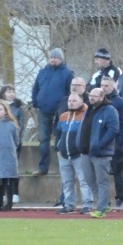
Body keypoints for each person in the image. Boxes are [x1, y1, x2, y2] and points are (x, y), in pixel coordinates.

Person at [31, 48, 74, 176]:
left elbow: (70, 92)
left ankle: (64, 169)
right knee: (44, 140)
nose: (53, 60)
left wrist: (65, 107)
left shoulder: (67, 74)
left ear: (61, 59)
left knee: (59, 140)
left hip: (59, 112)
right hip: (43, 111)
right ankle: (43, 168)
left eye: (56, 58)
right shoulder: (42, 72)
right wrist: (35, 102)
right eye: (51, 57)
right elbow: (36, 88)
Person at [79, 88, 120, 218]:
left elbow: (113, 130)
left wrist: (100, 145)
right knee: (89, 180)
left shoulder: (110, 110)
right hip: (86, 151)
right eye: (90, 96)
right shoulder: (89, 110)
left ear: (102, 97)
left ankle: (101, 208)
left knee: (102, 180)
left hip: (101, 153)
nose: (91, 98)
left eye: (94, 96)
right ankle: (104, 203)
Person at [53, 76, 89, 208]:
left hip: (79, 154)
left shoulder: (86, 115)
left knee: (84, 180)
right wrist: (57, 148)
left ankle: (87, 204)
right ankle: (68, 205)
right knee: (67, 182)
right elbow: (58, 134)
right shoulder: (63, 116)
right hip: (64, 155)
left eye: (74, 101)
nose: (71, 103)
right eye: (69, 101)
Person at [101, 76, 123, 207]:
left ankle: (120, 198)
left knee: (117, 172)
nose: (103, 88)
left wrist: (119, 143)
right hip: (101, 143)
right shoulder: (97, 101)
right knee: (101, 174)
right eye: (102, 85)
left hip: (115, 144)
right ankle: (103, 199)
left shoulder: (119, 102)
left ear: (113, 87)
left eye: (106, 86)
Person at [0, 85, 24, 204]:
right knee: (0, 170)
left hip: (13, 143)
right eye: (8, 91)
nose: (11, 93)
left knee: (12, 168)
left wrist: (15, 140)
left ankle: (14, 193)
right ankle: (1, 195)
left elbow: (20, 126)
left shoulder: (18, 108)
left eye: (13, 91)